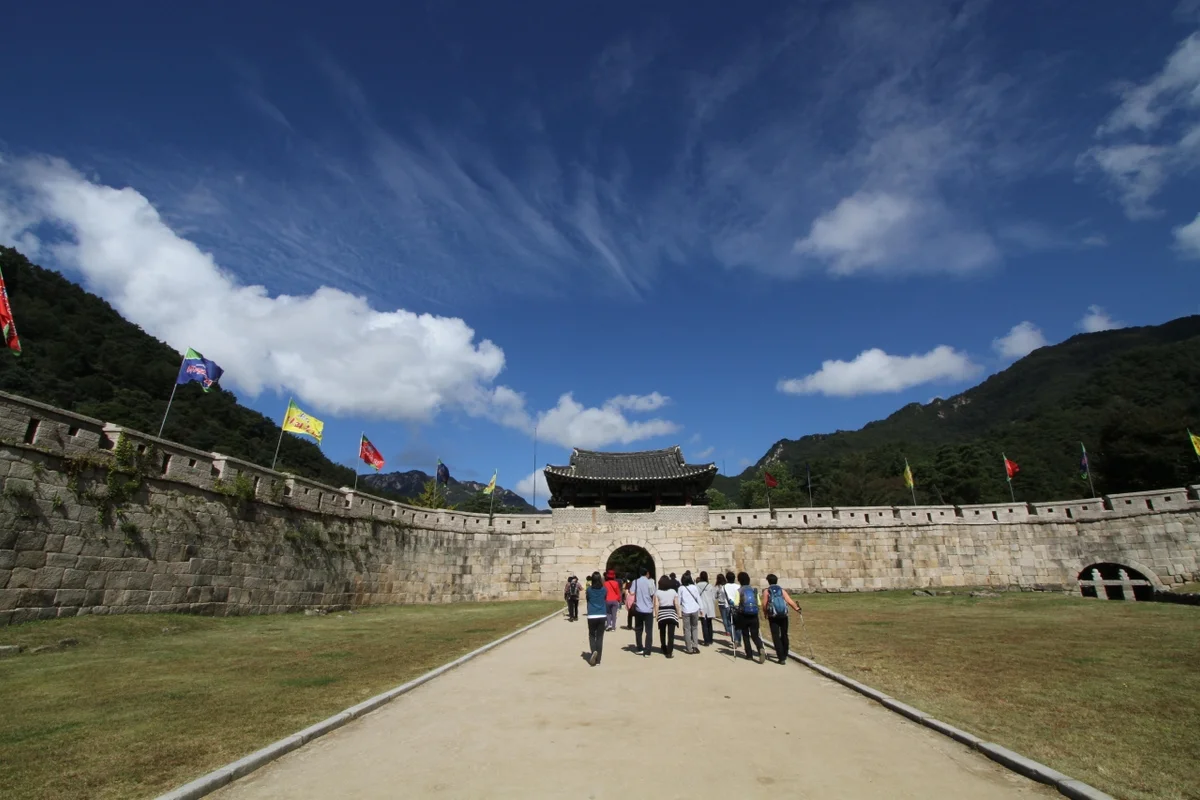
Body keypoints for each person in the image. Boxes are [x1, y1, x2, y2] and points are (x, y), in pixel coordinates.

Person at [761, 574, 802, 664]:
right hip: (783, 615)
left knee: (776, 636)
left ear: (768, 581)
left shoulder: (767, 591)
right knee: (784, 634)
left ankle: (781, 657)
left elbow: (764, 604)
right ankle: (785, 652)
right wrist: (797, 608)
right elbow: (789, 601)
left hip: (773, 616)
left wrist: (765, 613)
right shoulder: (781, 590)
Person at [734, 571, 765, 663]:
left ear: (739, 581)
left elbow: (736, 604)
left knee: (746, 635)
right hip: (754, 615)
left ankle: (749, 655)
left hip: (743, 615)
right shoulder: (754, 590)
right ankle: (760, 648)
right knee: (755, 635)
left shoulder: (739, 591)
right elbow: (758, 603)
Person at [653, 574, 681, 658]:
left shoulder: (657, 592)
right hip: (671, 613)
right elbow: (676, 603)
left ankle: (663, 647)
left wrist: (656, 615)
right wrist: (678, 613)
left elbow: (656, 605)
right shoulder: (673, 591)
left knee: (662, 632)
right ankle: (669, 651)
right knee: (671, 634)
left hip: (662, 613)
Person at [631, 567, 656, 657]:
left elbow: (631, 592)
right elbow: (653, 593)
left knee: (638, 630)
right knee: (649, 631)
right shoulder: (650, 582)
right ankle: (648, 650)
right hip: (648, 609)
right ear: (647, 573)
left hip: (639, 609)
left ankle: (640, 648)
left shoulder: (635, 582)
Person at [585, 572, 607, 666]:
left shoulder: (589, 590)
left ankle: (594, 651)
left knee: (591, 635)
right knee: (600, 637)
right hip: (602, 614)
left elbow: (587, 599)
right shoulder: (604, 590)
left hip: (592, 614)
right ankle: (598, 660)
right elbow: (605, 598)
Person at [678, 572, 703, 654]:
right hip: (695, 609)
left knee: (687, 629)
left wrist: (678, 610)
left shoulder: (681, 588)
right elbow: (698, 598)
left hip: (686, 610)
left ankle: (689, 648)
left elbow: (679, 600)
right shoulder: (694, 587)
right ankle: (695, 646)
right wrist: (701, 609)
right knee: (695, 628)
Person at [696, 571, 717, 646]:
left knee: (704, 624)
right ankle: (711, 639)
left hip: (702, 606)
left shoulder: (697, 585)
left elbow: (696, 596)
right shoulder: (710, 586)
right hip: (710, 606)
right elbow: (714, 597)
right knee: (709, 624)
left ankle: (706, 641)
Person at [722, 570, 742, 648]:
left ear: (727, 579)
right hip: (738, 607)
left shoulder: (724, 587)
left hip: (728, 607)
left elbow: (723, 597)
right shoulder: (738, 586)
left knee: (730, 624)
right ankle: (739, 640)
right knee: (738, 625)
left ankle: (735, 639)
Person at [715, 573, 734, 643]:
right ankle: (730, 629)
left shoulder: (718, 587)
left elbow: (715, 596)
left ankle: (727, 631)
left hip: (721, 603)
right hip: (728, 603)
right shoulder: (726, 585)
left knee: (724, 618)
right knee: (729, 617)